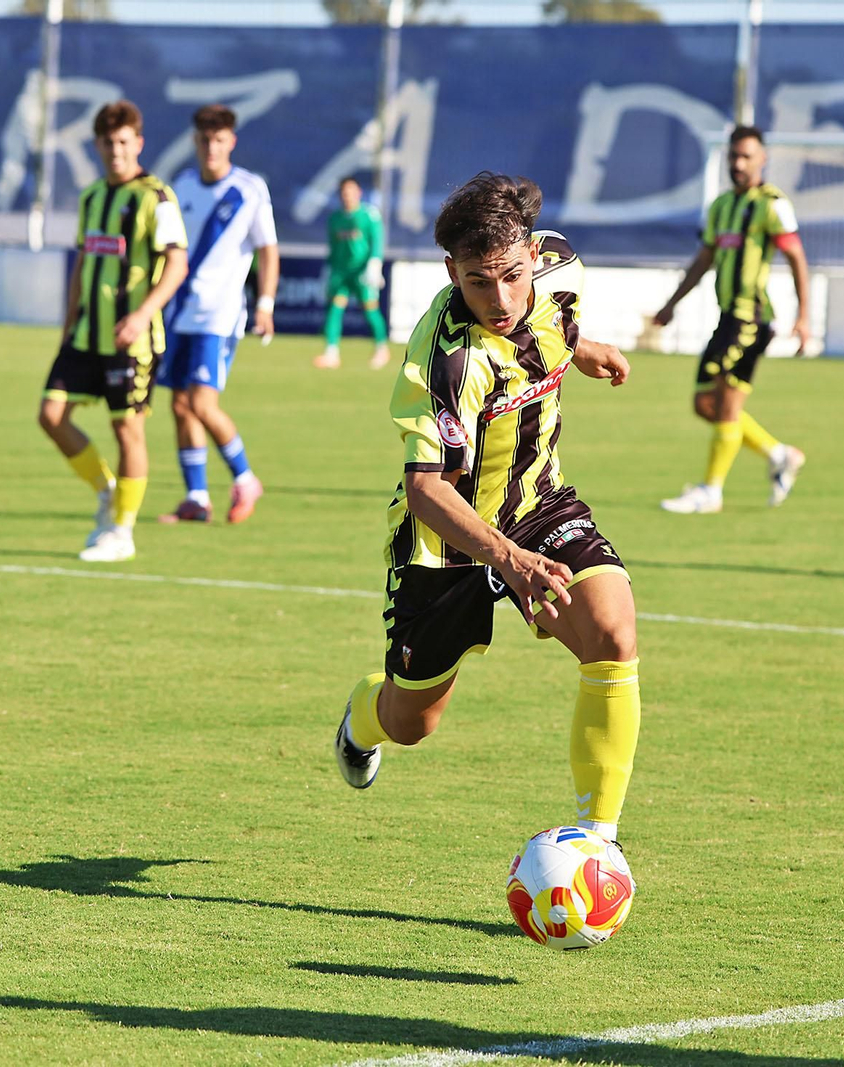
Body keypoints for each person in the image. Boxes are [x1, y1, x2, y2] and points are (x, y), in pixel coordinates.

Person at [331, 172, 642, 851]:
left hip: (537, 504)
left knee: (613, 633)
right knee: (414, 721)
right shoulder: (444, 361)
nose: (498, 299)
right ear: (451, 271)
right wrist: (507, 559)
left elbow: (549, 322)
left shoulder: (562, 270)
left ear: (533, 253)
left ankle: (597, 841)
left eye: (508, 275)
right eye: (477, 282)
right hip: (444, 542)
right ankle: (361, 720)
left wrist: (580, 348)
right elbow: (426, 489)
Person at [38, 99, 189, 561]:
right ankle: (107, 490)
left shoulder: (156, 197)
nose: (115, 150)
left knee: (128, 431)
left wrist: (142, 314)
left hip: (134, 340)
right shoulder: (92, 198)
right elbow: (84, 264)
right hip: (86, 336)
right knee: (51, 415)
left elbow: (177, 263)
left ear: (138, 143)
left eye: (123, 141)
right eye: (107, 142)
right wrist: (68, 324)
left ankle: (122, 530)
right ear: (98, 145)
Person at [654, 125, 810, 514]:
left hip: (752, 320)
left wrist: (804, 316)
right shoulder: (721, 206)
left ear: (762, 159)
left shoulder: (773, 205)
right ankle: (778, 453)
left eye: (746, 157)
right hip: (728, 319)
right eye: (733, 157)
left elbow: (796, 258)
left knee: (724, 404)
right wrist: (672, 302)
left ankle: (711, 490)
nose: (738, 164)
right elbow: (704, 259)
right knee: (704, 403)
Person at [156, 104, 278, 525]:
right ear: (195, 142)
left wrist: (264, 303)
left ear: (231, 142)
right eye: (205, 140)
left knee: (202, 403)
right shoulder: (181, 187)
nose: (211, 147)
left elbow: (268, 249)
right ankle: (196, 498)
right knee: (179, 406)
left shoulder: (248, 189)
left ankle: (245, 479)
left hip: (219, 316)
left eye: (219, 140)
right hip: (178, 314)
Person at [312, 176, 391, 371]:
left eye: (350, 192)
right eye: (344, 193)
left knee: (370, 310)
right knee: (335, 309)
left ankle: (382, 349)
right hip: (341, 272)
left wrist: (374, 264)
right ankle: (331, 353)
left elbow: (377, 241)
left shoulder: (368, 215)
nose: (347, 196)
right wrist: (328, 271)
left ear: (359, 193)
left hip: (362, 272)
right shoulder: (335, 219)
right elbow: (333, 247)